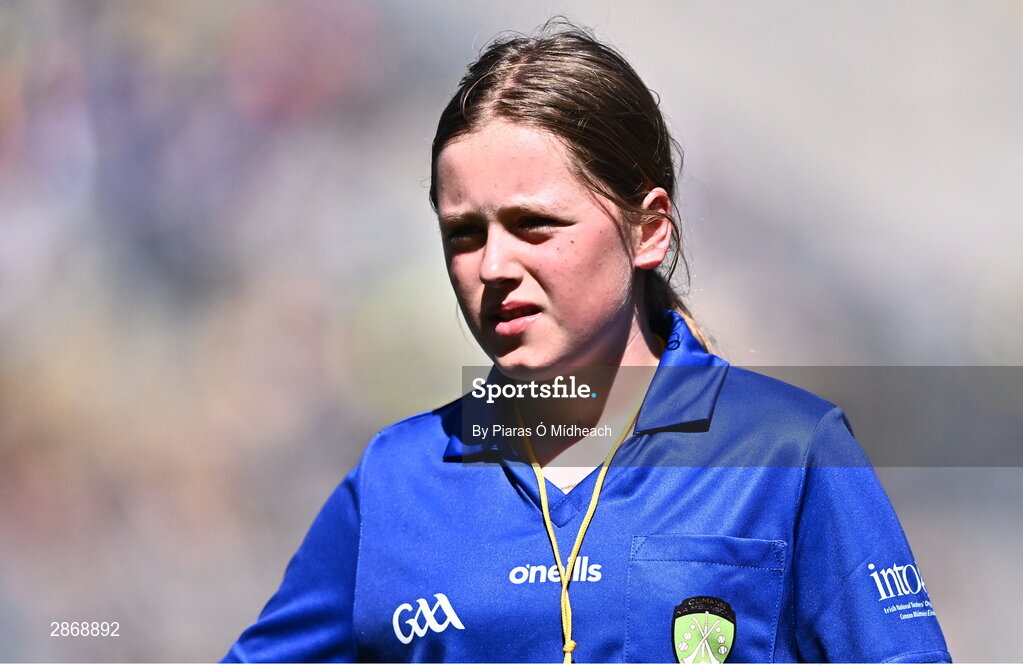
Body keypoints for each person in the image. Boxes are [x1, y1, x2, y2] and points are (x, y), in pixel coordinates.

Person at [223, 22, 951, 663]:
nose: (494, 266)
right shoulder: (396, 478)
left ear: (648, 229)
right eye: (464, 234)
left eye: (534, 225)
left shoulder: (788, 450)